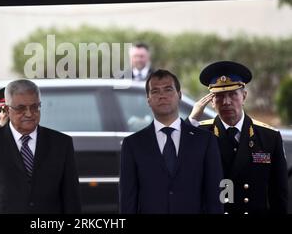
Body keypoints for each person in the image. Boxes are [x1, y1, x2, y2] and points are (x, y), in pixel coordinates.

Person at [189, 60, 288, 214]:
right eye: (219, 96)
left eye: (233, 94)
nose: (226, 102)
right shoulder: (200, 134)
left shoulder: (269, 137)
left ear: (244, 96)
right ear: (212, 102)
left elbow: (279, 194)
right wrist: (191, 120)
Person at [119, 69, 223, 214]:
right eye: (155, 91)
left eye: (168, 89)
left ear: (179, 95)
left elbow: (214, 195)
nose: (162, 96)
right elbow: (127, 200)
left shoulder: (205, 141)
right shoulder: (133, 144)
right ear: (148, 99)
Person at [0, 79, 81, 213]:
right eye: (21, 108)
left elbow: (71, 199)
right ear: (6, 109)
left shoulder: (61, 143)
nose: (29, 113)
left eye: (35, 107)